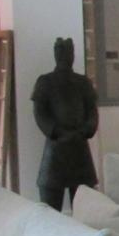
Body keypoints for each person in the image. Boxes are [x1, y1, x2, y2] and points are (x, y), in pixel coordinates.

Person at [30, 36, 98, 209]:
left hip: (79, 149)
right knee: (49, 211)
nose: (64, 57)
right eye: (61, 52)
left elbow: (92, 113)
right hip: (55, 150)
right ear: (55, 55)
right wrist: (57, 132)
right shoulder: (45, 82)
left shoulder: (83, 83)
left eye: (67, 52)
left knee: (85, 208)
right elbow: (40, 114)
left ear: (73, 55)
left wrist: (84, 130)